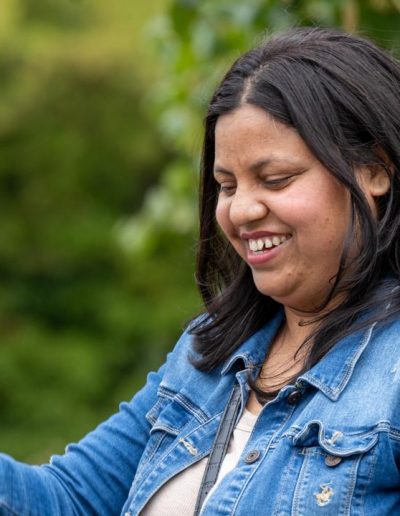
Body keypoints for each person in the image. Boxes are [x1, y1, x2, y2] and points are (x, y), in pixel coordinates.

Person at [1, 26, 400, 515]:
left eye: (275, 179)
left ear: (375, 171)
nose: (241, 210)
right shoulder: (208, 354)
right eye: (227, 186)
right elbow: (69, 499)